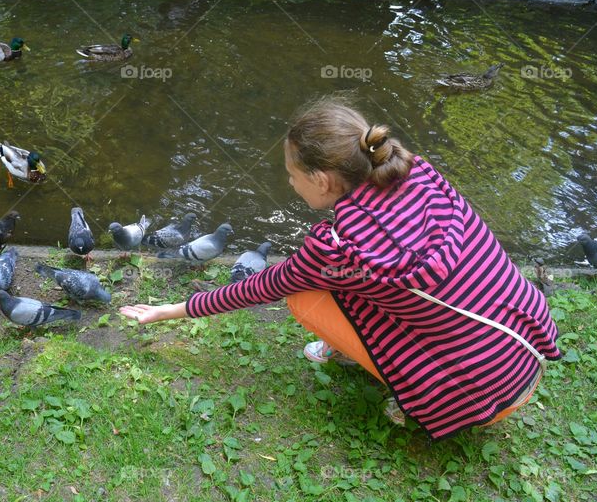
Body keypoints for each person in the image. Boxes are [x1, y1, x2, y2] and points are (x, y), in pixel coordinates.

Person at [120, 96, 560, 441]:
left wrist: (168, 311)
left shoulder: (337, 249)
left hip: (481, 397)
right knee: (362, 288)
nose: (289, 183)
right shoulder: (424, 175)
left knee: (303, 295)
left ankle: (400, 387)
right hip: (529, 352)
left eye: (292, 174)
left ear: (323, 180)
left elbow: (253, 290)